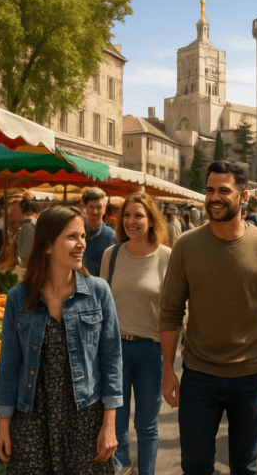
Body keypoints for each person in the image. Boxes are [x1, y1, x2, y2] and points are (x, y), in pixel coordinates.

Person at [160, 160, 257, 475]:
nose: (214, 197)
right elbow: (170, 310)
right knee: (195, 465)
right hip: (198, 377)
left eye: (224, 190)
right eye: (209, 190)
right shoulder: (186, 246)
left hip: (251, 378)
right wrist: (168, 370)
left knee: (244, 466)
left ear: (243, 196)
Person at [0, 205, 122, 474]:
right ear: (48, 245)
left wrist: (109, 425)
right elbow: (8, 366)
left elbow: (112, 362)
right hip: (32, 417)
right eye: (71, 237)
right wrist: (3, 426)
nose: (81, 245)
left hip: (85, 416)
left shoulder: (98, 292)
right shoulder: (19, 297)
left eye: (83, 236)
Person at [100, 193, 171, 475]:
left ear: (151, 220)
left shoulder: (167, 256)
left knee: (146, 424)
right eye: (127, 215)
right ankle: (121, 467)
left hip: (151, 351)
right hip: (115, 349)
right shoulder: (112, 254)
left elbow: (175, 309)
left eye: (139, 215)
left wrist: (171, 360)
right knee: (115, 422)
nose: (131, 221)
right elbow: (102, 305)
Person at [81, 187, 115, 277]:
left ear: (104, 208)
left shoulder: (112, 237)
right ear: (85, 207)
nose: (95, 212)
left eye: (99, 207)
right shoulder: (75, 232)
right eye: (91, 207)